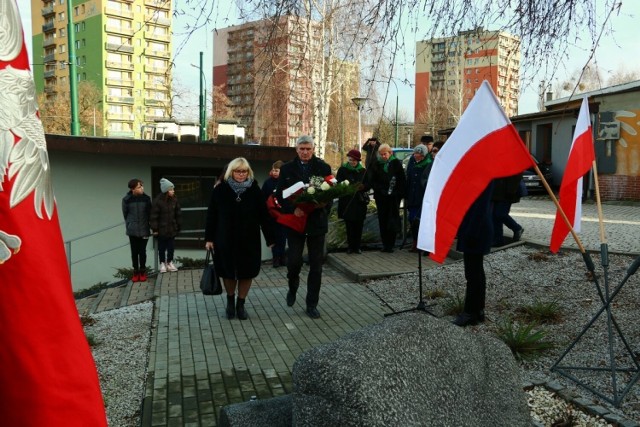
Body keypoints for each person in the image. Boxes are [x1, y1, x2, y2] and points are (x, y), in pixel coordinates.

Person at [205, 158, 274, 320]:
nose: (241, 174)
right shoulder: (220, 190)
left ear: (248, 172)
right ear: (231, 172)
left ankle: (241, 304)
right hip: (224, 238)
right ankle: (230, 301)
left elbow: (264, 216)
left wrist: (270, 238)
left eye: (244, 171)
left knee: (247, 272)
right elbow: (211, 216)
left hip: (249, 239)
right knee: (228, 272)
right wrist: (209, 238)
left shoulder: (255, 191)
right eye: (237, 171)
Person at [276, 135, 332, 319]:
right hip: (296, 222)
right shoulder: (286, 169)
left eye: (308, 148)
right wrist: (294, 209)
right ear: (296, 149)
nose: (305, 152)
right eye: (302, 148)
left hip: (316, 221)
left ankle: (311, 304)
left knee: (316, 265)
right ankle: (293, 286)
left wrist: (322, 205)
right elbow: (280, 195)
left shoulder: (323, 167)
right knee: (293, 262)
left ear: (313, 149)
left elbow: (330, 191)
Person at [453, 181, 495, 327]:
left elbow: (480, 208)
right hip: (474, 228)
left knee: (472, 273)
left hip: (476, 230)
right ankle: (478, 309)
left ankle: (470, 312)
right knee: (476, 272)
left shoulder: (484, 179)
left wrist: (471, 232)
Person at [368, 143, 406, 253]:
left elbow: (401, 180)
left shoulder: (396, 164)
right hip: (381, 196)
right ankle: (385, 244)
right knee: (382, 220)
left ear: (390, 153)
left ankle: (391, 244)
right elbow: (373, 180)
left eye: (385, 154)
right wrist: (380, 189)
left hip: (393, 197)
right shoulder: (377, 164)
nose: (383, 156)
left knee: (392, 219)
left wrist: (397, 193)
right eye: (381, 154)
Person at [336, 149, 369, 254]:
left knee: (359, 225)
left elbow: (368, 184)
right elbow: (338, 183)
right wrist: (347, 187)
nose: (352, 162)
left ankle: (357, 246)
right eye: (350, 159)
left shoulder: (363, 171)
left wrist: (363, 187)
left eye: (354, 160)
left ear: (358, 161)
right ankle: (350, 247)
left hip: (359, 202)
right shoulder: (342, 170)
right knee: (349, 225)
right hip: (347, 201)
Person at [122, 178, 152, 282]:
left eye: (142, 186)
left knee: (142, 251)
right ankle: (135, 272)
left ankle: (143, 272)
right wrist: (130, 224)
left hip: (144, 229)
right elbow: (125, 214)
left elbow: (150, 214)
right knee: (134, 252)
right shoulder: (126, 199)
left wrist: (153, 227)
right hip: (133, 230)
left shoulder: (147, 199)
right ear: (133, 189)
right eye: (139, 187)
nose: (142, 188)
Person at [150, 178, 182, 273]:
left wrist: (178, 225)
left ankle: (170, 262)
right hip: (161, 229)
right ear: (166, 191)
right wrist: (155, 229)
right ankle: (162, 263)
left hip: (172, 228)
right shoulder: (157, 201)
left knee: (171, 247)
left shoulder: (174, 200)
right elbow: (153, 216)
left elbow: (178, 213)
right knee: (161, 248)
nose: (173, 191)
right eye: (171, 189)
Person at [405, 144, 432, 252]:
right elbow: (409, 180)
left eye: (419, 154)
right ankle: (415, 242)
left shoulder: (428, 165)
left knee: (421, 221)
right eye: (416, 153)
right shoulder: (412, 163)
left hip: (422, 198)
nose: (417, 156)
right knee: (412, 220)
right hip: (412, 197)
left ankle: (423, 244)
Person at [262, 160, 287, 267]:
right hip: (272, 215)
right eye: (273, 170)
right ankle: (275, 258)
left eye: (277, 170)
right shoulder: (268, 182)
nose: (274, 172)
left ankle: (282, 257)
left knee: (282, 237)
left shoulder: (286, 181)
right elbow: (263, 198)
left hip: (283, 214)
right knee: (274, 238)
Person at [491, 173, 525, 246]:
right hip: (496, 192)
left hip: (506, 193)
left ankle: (517, 228)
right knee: (495, 216)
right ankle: (498, 240)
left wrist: (510, 191)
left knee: (500, 214)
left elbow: (516, 176)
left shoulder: (512, 163)